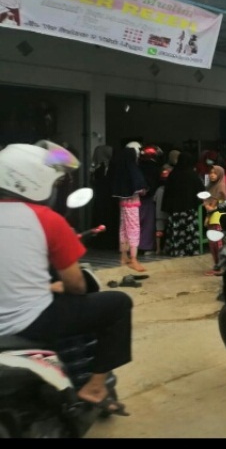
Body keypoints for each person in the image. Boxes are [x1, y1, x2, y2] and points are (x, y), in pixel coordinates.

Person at [0, 141, 133, 416]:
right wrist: (57, 285)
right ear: (34, 181)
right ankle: (94, 387)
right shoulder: (47, 220)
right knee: (119, 303)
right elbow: (76, 285)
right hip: (31, 321)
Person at [111, 142, 148, 272]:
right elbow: (140, 187)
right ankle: (134, 259)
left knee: (123, 229)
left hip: (123, 203)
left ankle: (123, 256)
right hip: (132, 204)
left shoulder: (120, 169)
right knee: (133, 230)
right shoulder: (133, 168)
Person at [161, 151, 204, 257]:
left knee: (177, 230)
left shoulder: (173, 174)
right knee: (189, 230)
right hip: (189, 210)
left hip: (175, 210)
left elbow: (167, 192)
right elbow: (201, 191)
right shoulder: (192, 175)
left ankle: (177, 250)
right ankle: (190, 249)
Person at [203, 165, 226, 276]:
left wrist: (212, 208)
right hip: (212, 218)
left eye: (215, 173)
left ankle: (221, 266)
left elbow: (223, 204)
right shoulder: (211, 186)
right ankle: (217, 266)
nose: (212, 175)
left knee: (218, 244)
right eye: (211, 173)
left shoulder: (220, 187)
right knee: (213, 245)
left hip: (218, 218)